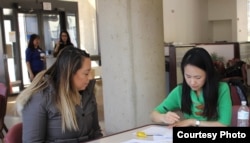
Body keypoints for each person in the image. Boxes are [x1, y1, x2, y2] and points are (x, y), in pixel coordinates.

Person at [16, 46, 103, 142]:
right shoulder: (40, 98)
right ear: (69, 73)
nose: (90, 77)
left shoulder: (89, 92)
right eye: (86, 73)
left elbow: (96, 132)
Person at [151, 47, 232, 127]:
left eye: (198, 77)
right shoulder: (180, 91)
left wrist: (193, 122)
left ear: (208, 74)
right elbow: (154, 114)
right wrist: (163, 117)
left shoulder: (221, 89)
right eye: (188, 76)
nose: (192, 82)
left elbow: (223, 124)